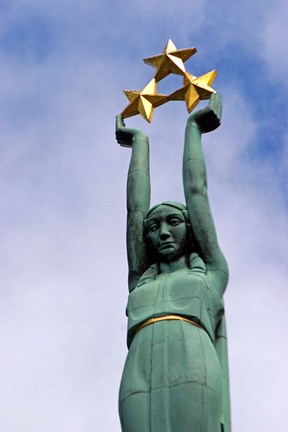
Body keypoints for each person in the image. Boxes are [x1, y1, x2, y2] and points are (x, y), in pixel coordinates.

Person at [115, 93, 231, 432]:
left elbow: (197, 193)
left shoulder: (211, 272)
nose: (163, 232)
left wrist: (193, 129)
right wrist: (139, 143)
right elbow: (135, 210)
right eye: (155, 227)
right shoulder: (141, 279)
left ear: (190, 229)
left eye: (173, 223)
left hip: (192, 359)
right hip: (139, 366)